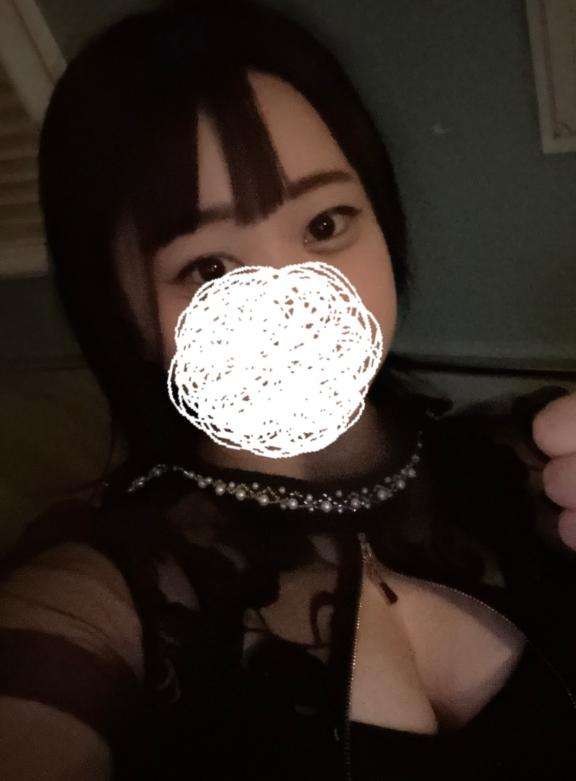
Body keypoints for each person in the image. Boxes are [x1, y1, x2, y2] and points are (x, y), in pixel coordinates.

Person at [0, 1, 575, 778]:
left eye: (326, 225)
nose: (298, 306)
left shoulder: (538, 459)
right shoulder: (102, 591)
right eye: (208, 267)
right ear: (123, 315)